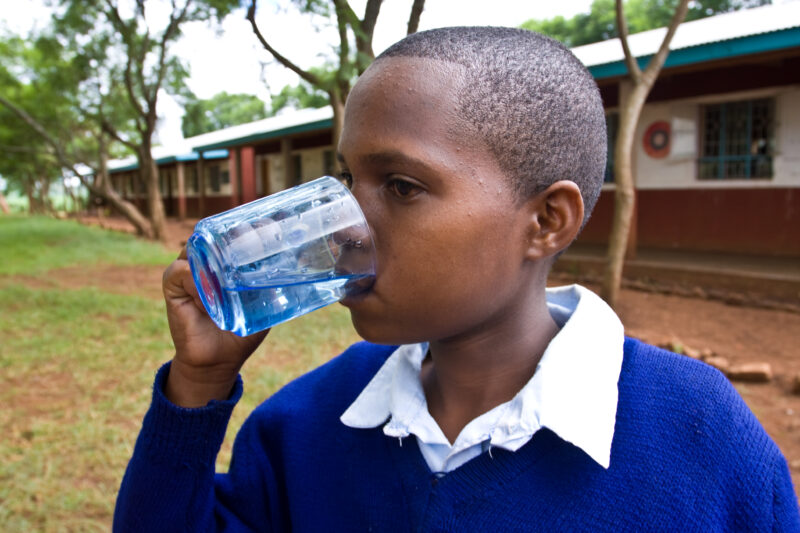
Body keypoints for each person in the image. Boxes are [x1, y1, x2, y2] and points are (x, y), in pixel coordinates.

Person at [114, 27, 800, 532]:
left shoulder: (699, 439)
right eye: (349, 179)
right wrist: (197, 386)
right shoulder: (308, 426)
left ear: (546, 222)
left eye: (402, 186)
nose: (348, 223)